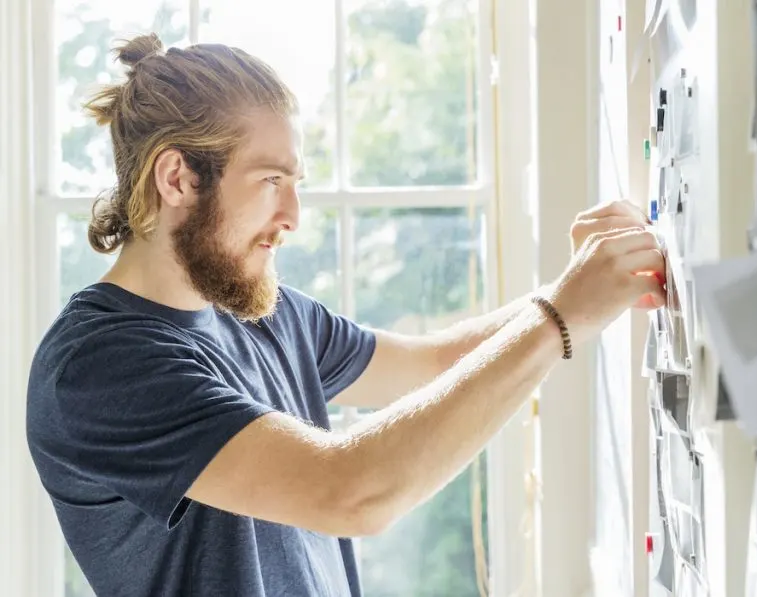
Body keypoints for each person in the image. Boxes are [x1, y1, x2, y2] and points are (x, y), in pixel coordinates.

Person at [25, 33, 666, 597]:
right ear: (178, 179)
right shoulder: (98, 365)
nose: (294, 217)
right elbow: (351, 491)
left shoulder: (259, 309)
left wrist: (580, 285)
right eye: (272, 180)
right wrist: (559, 317)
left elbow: (432, 365)